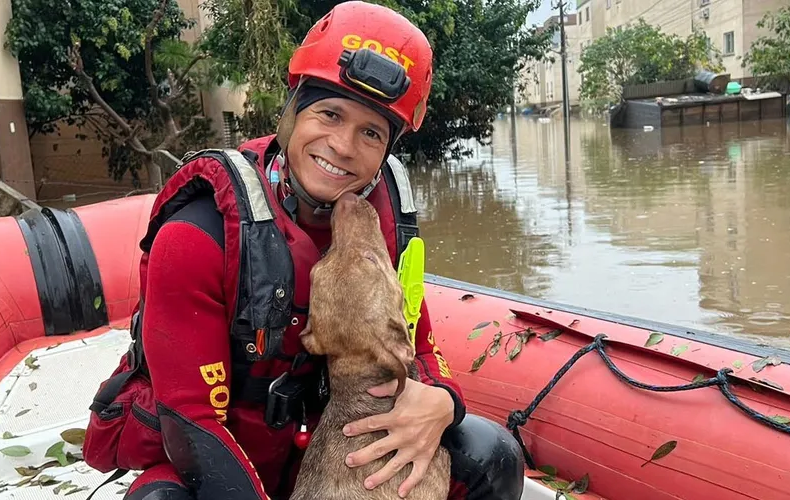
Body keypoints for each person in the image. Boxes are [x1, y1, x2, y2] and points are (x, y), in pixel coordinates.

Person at [82, 2, 524, 499]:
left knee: (493, 456)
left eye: (371, 132)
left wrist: (444, 402)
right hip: (216, 457)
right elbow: (192, 422)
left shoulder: (382, 227)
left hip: (321, 452)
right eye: (330, 113)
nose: (342, 145)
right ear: (293, 109)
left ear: (387, 149)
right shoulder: (196, 236)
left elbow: (416, 343)